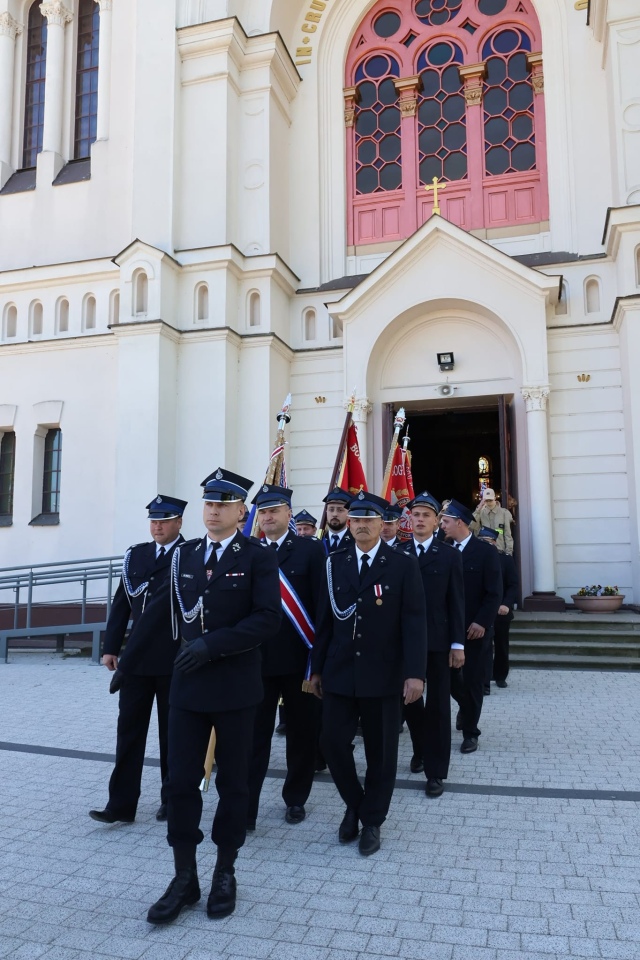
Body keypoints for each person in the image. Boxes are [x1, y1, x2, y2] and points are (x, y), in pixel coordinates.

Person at [147, 468, 281, 925]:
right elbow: (160, 614)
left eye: (224, 504)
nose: (214, 511)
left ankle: (226, 871)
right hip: (187, 688)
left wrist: (211, 645)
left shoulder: (258, 556)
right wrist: (124, 661)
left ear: (241, 511)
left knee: (234, 783)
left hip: (236, 687)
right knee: (180, 783)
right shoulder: (183, 555)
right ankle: (184, 877)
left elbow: (267, 619)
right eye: (208, 503)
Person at [310, 491, 427, 857]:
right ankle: (356, 803)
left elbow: (414, 622)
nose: (360, 525)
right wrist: (315, 669)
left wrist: (415, 674)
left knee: (381, 753)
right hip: (340, 672)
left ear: (382, 523)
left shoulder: (402, 564)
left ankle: (370, 820)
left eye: (368, 519)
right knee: (331, 743)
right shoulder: (334, 563)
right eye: (355, 519)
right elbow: (324, 622)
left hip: (384, 674)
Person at [89, 495, 187, 826]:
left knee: (173, 735)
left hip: (175, 658)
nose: (157, 525)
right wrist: (111, 646)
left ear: (179, 523)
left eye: (165, 520)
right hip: (137, 661)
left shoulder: (189, 555)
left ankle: (172, 800)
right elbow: (122, 604)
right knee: (129, 733)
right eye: (154, 520)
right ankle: (121, 804)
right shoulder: (137, 555)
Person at [247, 485, 325, 828]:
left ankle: (295, 799)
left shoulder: (310, 550)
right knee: (253, 737)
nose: (267, 517)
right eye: (262, 512)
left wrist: (319, 662)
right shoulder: (246, 550)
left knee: (301, 735)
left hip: (299, 661)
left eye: (274, 511)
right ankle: (246, 803)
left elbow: (322, 609)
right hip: (256, 662)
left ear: (288, 514)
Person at [399, 492, 465, 796]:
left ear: (437, 521)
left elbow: (456, 603)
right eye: (416, 515)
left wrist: (457, 644)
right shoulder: (398, 553)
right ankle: (420, 750)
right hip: (405, 643)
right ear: (409, 519)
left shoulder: (450, 555)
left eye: (427, 515)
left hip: (438, 643)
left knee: (438, 707)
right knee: (410, 703)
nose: (421, 520)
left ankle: (436, 771)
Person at [440, 500, 502, 754]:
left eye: (445, 521)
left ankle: (470, 732)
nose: (441, 525)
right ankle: (466, 709)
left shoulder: (485, 552)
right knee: (452, 681)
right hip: (447, 630)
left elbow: (494, 592)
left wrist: (482, 622)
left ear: (460, 523)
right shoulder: (442, 549)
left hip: (474, 630)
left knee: (474, 681)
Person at [477, 526, 519, 689]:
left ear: (494, 542)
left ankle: (500, 675)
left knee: (501, 645)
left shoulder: (505, 560)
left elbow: (513, 585)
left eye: (487, 542)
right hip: (483, 610)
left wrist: (506, 604)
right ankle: (484, 682)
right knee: (484, 647)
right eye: (481, 541)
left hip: (501, 611)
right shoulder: (476, 558)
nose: (485, 545)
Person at [472, 488, 514, 555]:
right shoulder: (480, 513)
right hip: (484, 552)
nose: (488, 502)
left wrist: (508, 554)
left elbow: (507, 535)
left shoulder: (504, 513)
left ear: (494, 498)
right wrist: (479, 508)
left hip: (499, 551)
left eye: (490, 500)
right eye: (486, 500)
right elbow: (471, 526)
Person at [322, 487, 354, 552]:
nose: (334, 514)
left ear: (349, 513)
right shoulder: (319, 541)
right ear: (326, 512)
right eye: (331, 510)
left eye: (340, 510)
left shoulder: (356, 542)